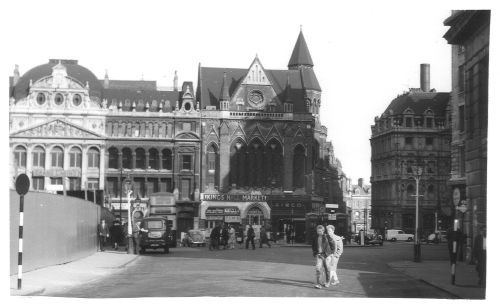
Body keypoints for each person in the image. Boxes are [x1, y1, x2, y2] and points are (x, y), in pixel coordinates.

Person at [311, 225, 333, 289]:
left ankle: (327, 282)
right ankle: (318, 283)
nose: (319, 232)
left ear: (323, 231)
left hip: (326, 255)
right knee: (318, 269)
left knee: (327, 269)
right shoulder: (315, 237)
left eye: (320, 231)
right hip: (319, 255)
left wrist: (330, 253)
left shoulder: (327, 236)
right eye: (318, 231)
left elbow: (332, 245)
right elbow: (313, 246)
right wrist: (315, 253)